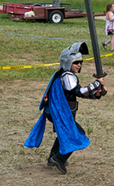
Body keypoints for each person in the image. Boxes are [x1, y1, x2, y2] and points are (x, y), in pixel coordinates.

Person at [24, 42, 106, 174]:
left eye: (80, 62)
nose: (79, 65)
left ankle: (52, 157)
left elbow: (78, 93)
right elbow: (79, 91)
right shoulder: (67, 76)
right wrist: (96, 84)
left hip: (61, 111)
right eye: (76, 62)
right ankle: (59, 158)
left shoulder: (67, 75)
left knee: (65, 133)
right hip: (59, 112)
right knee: (76, 134)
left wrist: (96, 94)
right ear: (68, 62)